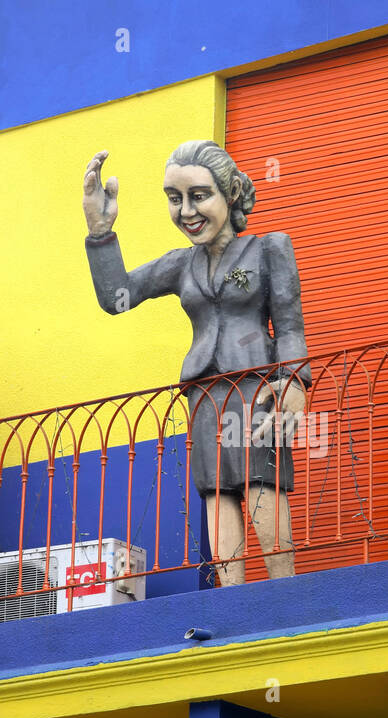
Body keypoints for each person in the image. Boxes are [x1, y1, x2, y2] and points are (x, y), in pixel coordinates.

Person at [82, 141, 311, 585]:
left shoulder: (268, 250)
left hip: (257, 385)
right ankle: (233, 599)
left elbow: (288, 322)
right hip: (204, 392)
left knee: (261, 483)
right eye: (174, 198)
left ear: (230, 194)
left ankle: (285, 592)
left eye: (199, 196)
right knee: (216, 490)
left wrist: (294, 380)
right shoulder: (179, 265)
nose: (186, 210)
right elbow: (116, 298)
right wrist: (99, 233)